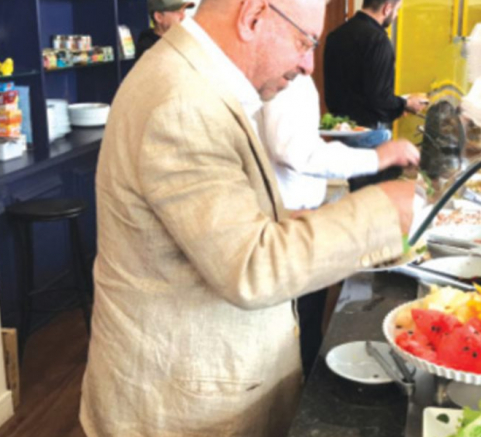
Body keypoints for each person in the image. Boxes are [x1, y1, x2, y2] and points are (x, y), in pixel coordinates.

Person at [79, 0, 417, 436]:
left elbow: (211, 223)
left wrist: (291, 218)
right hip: (183, 407)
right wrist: (385, 209)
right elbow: (250, 268)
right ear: (252, 16)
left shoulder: (193, 77)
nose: (308, 65)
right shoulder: (183, 102)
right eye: (304, 42)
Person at [259, 73, 420, 375]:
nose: (308, 63)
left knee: (309, 315)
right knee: (302, 322)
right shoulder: (285, 78)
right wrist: (377, 157)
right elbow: (293, 150)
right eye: (306, 48)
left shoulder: (291, 77)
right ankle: (305, 379)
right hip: (288, 224)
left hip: (296, 214)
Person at [323, 0, 427, 191]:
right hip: (368, 135)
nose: (396, 16)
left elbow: (346, 89)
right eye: (396, 10)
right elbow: (380, 98)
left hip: (342, 131)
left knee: (356, 193)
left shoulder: (335, 36)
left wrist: (398, 104)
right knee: (373, 197)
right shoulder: (378, 40)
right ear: (387, 8)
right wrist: (405, 104)